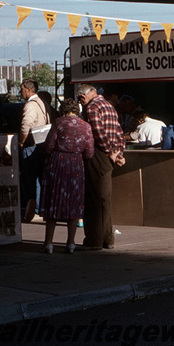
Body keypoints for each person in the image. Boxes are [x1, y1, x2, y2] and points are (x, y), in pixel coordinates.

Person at [39, 98, 94, 254]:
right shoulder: (86, 126)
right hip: (76, 164)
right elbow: (89, 152)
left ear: (63, 109)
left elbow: (49, 145)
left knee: (53, 201)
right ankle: (71, 243)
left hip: (58, 163)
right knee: (74, 202)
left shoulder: (58, 123)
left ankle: (48, 243)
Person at [76, 83, 125, 251]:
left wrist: (110, 152)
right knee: (105, 198)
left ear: (83, 97)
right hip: (110, 155)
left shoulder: (92, 107)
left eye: (79, 99)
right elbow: (119, 131)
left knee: (94, 198)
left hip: (98, 154)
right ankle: (108, 238)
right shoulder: (109, 106)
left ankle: (94, 240)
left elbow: (98, 132)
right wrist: (119, 153)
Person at [18, 78, 50, 223]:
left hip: (31, 145)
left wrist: (21, 141)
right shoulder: (42, 103)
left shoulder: (30, 105)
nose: (21, 92)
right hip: (42, 144)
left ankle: (35, 209)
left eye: (22, 89)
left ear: (29, 89)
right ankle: (40, 208)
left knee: (31, 179)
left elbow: (26, 124)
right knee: (39, 178)